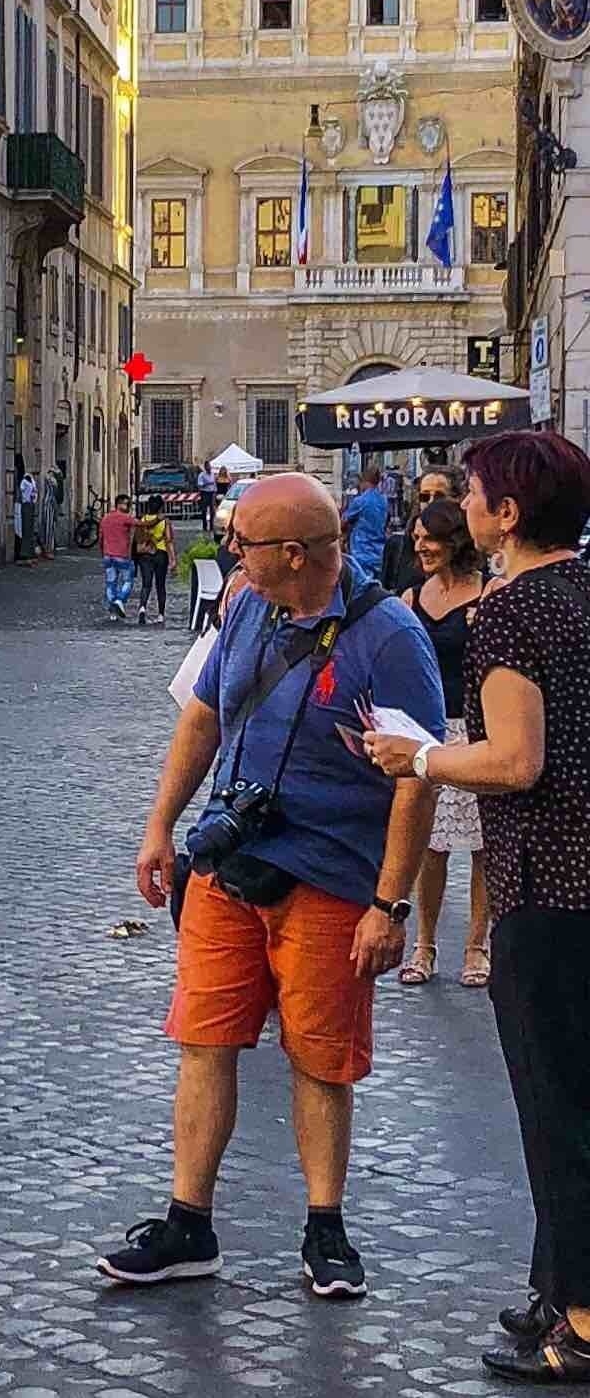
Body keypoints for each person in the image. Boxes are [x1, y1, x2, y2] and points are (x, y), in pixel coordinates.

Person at [101, 472, 444, 1301]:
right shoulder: (249, 606)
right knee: (204, 1040)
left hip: (329, 877)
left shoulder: (390, 637)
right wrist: (159, 825)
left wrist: (389, 903)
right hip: (230, 865)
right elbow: (204, 716)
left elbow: (419, 777)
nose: (231, 555)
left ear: (294, 554)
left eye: (243, 544)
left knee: (321, 1059)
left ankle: (326, 1227)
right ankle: (190, 1223)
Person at [363, 431, 590, 1381]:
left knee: (557, 1102)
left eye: (481, 491)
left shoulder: (510, 614)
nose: (470, 501)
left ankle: (579, 1325)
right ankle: (557, 1279)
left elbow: (513, 760)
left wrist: (415, 757)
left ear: (506, 515)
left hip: (547, 884)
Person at [393, 496, 491, 990]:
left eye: (429, 538)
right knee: (430, 846)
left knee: (481, 848)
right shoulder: (411, 597)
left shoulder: (489, 593)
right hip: (428, 732)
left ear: (454, 541)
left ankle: (477, 945)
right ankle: (424, 942)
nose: (422, 547)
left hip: (478, 730)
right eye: (416, 539)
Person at [342, 470, 389, 582]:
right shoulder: (384, 500)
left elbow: (343, 522)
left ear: (364, 482)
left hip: (362, 552)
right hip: (379, 554)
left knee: (363, 588)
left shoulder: (360, 501)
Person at [132, 501, 172, 628]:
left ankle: (142, 608)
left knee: (146, 584)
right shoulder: (164, 522)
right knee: (160, 586)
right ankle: (160, 615)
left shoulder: (142, 520)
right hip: (161, 554)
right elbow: (169, 540)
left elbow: (137, 538)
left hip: (145, 555)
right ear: (161, 508)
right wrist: (173, 559)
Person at [99, 495, 137, 623]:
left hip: (107, 556)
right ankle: (119, 600)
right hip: (122, 556)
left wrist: (102, 552)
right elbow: (143, 524)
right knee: (128, 580)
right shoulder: (126, 518)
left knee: (111, 583)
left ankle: (112, 611)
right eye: (127, 504)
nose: (129, 507)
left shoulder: (105, 518)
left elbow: (101, 537)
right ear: (120, 504)